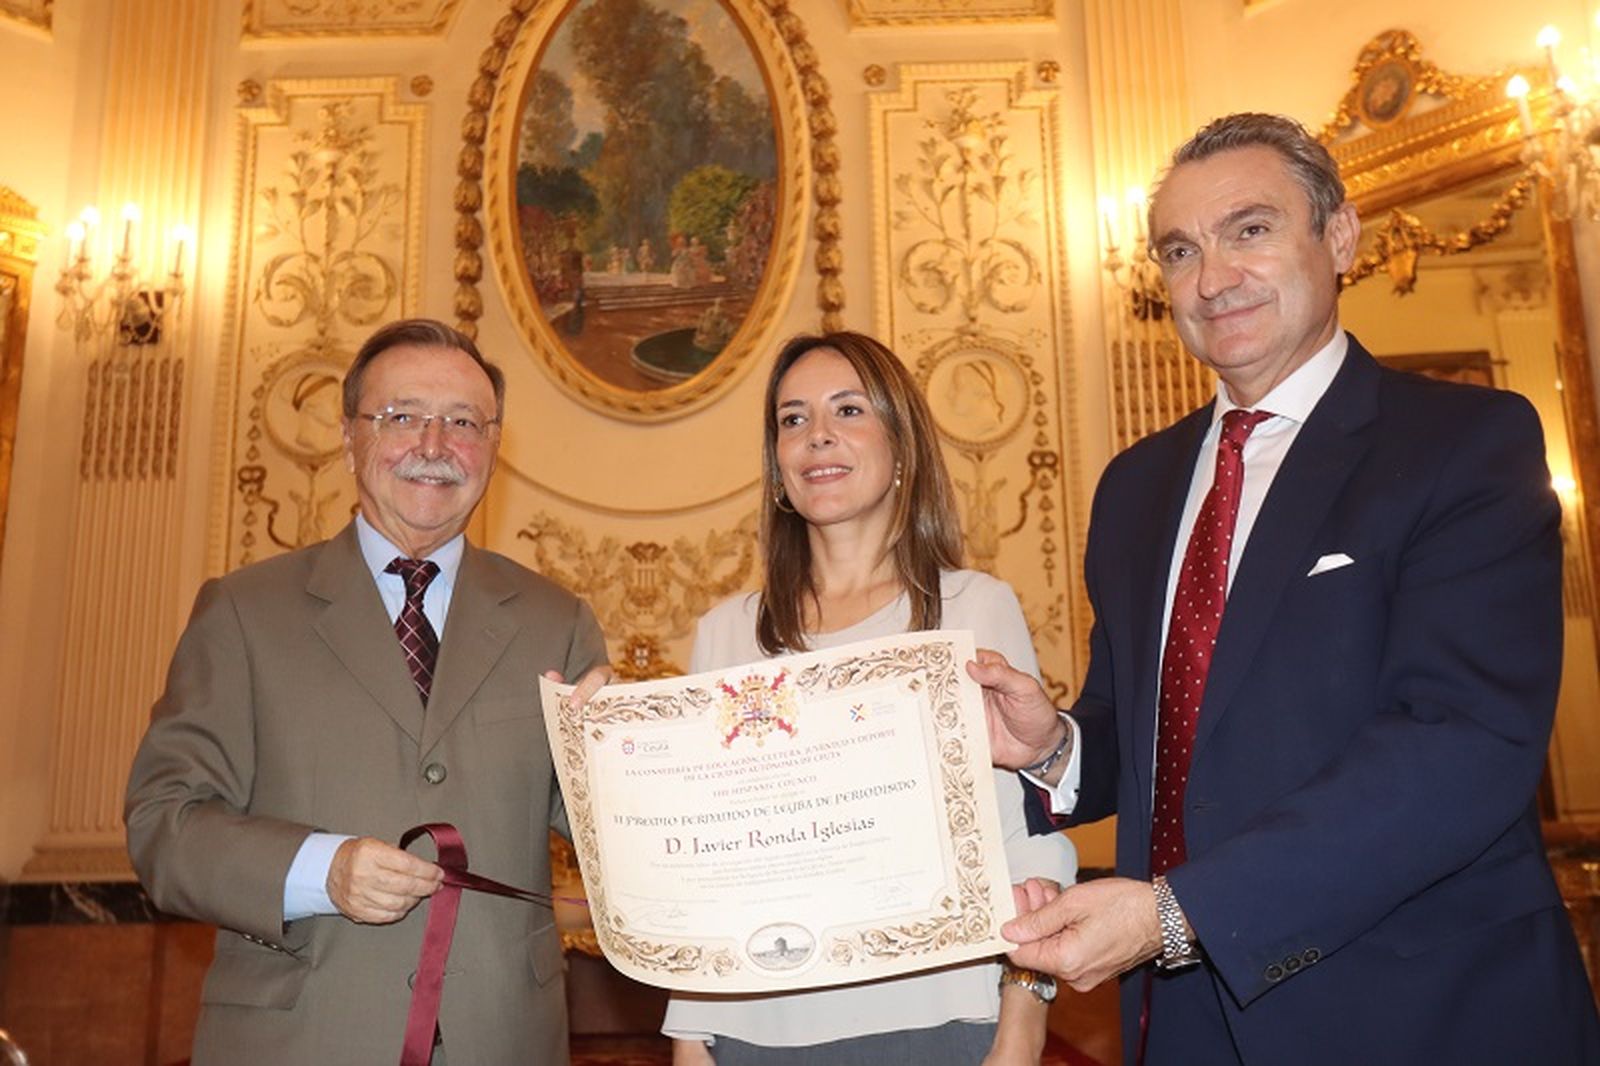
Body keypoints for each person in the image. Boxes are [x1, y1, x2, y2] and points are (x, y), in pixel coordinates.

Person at [971, 112, 1600, 1065]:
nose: (1212, 277)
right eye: (1179, 250)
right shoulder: (1135, 488)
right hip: (1182, 1021)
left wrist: (1181, 915)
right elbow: (1161, 729)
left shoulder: (1464, 444)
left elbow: (1461, 743)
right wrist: (1056, 745)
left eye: (1250, 230)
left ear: (1338, 237)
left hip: (1422, 1012)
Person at [125, 318, 609, 1065]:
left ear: (493, 447)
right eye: (401, 416)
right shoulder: (245, 612)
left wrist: (631, 754)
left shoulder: (557, 622)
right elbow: (164, 827)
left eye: (462, 423)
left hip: (502, 1039)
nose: (434, 445)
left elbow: (618, 843)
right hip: (301, 1037)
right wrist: (322, 870)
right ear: (349, 437)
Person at [664, 331, 1077, 1065]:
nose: (817, 435)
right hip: (758, 1031)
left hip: (941, 1016)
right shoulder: (724, 634)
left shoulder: (973, 609)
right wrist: (691, 1038)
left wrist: (1023, 1027)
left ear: (901, 448)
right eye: (792, 419)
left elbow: (1025, 840)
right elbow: (710, 874)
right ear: (777, 466)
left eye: (848, 409)